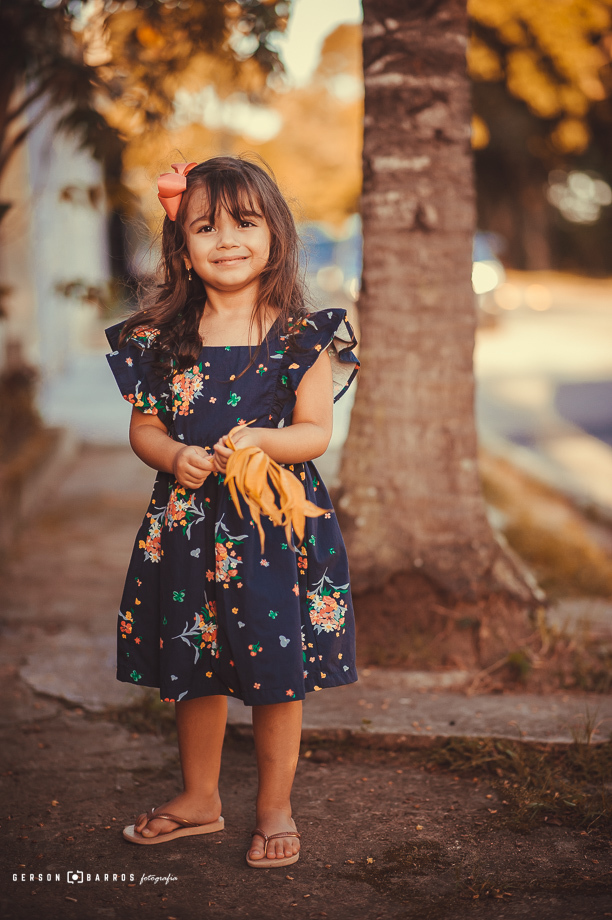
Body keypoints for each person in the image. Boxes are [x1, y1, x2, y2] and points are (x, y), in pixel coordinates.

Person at [105, 156, 360, 868]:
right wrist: (172, 457)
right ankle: (200, 798)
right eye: (205, 227)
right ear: (181, 245)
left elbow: (315, 432)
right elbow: (145, 429)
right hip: (187, 527)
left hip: (272, 528)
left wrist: (263, 441)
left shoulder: (302, 335)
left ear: (275, 234)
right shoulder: (160, 339)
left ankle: (275, 806)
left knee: (277, 669)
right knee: (195, 659)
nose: (226, 240)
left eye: (244, 223)